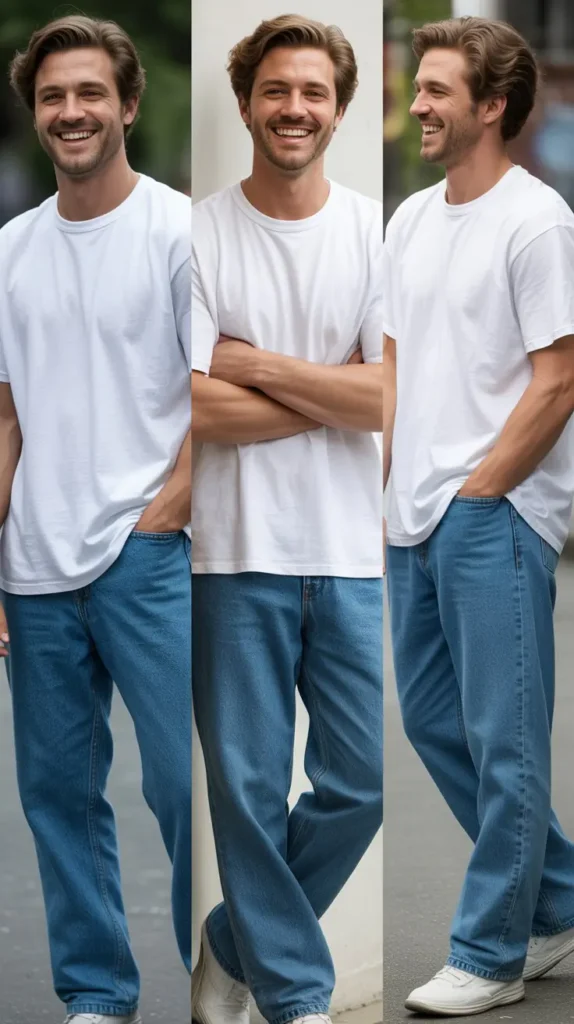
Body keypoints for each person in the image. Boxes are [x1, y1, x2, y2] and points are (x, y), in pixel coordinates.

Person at [190, 14, 383, 1024]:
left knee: (361, 786)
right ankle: (296, 996)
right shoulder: (194, 235)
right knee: (248, 793)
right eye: (276, 90)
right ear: (245, 103)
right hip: (230, 554)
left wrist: (255, 364)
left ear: (339, 111)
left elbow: (389, 397)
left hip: (348, 553)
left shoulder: (375, 234)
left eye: (313, 92)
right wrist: (331, 389)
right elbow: (188, 405)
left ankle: (234, 944)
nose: (294, 108)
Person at [0, 15, 191, 1024]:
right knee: (57, 797)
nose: (70, 112)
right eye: (52, 97)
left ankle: (226, 974)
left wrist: (169, 510)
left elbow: (213, 395)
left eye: (88, 93)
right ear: (35, 113)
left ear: (127, 103)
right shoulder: (10, 250)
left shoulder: (179, 230)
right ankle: (97, 995)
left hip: (146, 555)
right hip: (33, 567)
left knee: (187, 787)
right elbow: (4, 416)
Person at [383, 16, 574, 1018]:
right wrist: (389, 487)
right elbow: (393, 366)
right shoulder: (411, 219)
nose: (416, 103)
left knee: (506, 742)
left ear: (491, 105)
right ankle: (561, 897)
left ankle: (492, 950)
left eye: (436, 90)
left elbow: (559, 378)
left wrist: (483, 491)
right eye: (418, 87)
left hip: (491, 513)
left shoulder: (535, 222)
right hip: (410, 517)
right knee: (430, 720)